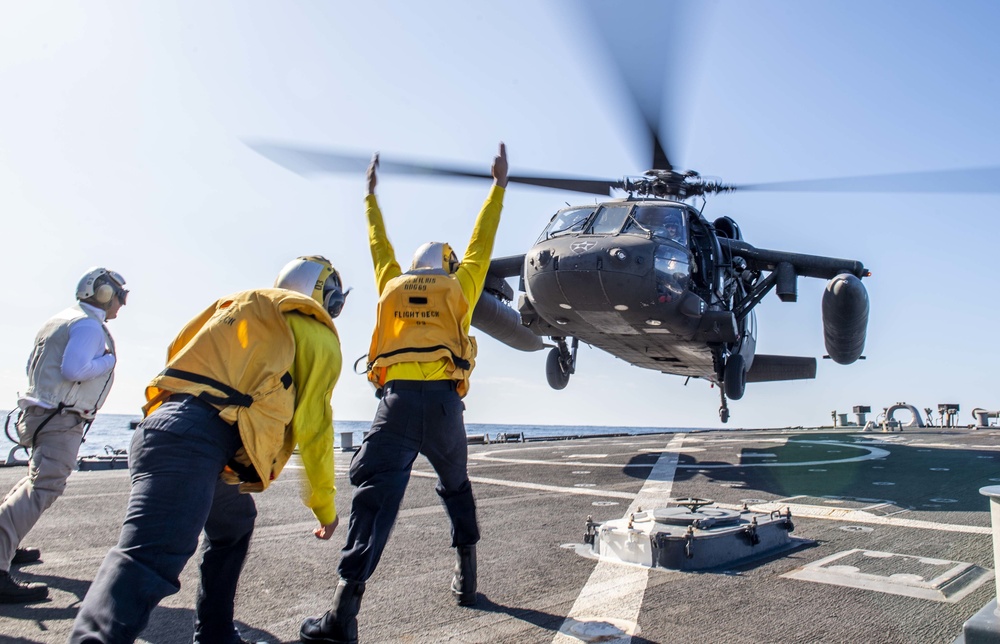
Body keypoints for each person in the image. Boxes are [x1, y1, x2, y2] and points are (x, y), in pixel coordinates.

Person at [70, 256, 347, 644]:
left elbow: (178, 348)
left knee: (234, 525)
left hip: (167, 428)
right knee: (148, 561)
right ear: (326, 295)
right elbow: (315, 426)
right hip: (194, 444)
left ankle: (216, 634)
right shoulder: (316, 334)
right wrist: (324, 505)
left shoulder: (236, 306)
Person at [300, 143, 508, 644]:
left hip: (394, 405)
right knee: (456, 489)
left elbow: (378, 244)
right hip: (442, 407)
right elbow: (483, 240)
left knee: (373, 500)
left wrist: (370, 198)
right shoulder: (462, 286)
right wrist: (498, 186)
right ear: (449, 265)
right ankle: (467, 580)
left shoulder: (391, 284)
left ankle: (341, 617)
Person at [0, 267, 127, 604]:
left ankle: (5, 544)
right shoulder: (88, 326)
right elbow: (75, 370)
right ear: (103, 294)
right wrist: (108, 360)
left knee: (34, 480)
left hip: (41, 413)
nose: (122, 304)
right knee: (44, 486)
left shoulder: (62, 319)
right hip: (59, 418)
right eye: (121, 296)